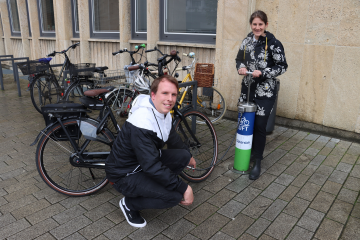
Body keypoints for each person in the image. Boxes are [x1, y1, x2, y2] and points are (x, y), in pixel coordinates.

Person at [105, 75, 196, 228]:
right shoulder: (142, 122)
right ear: (153, 95)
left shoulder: (161, 110)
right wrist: (184, 187)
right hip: (124, 174)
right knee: (174, 196)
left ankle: (156, 184)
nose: (170, 99)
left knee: (184, 156)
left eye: (173, 94)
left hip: (142, 162)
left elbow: (171, 136)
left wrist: (189, 156)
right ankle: (129, 204)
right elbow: (152, 166)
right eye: (165, 93)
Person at [235, 10, 288, 180]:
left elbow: (282, 66)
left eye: (260, 24)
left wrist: (263, 72)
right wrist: (241, 68)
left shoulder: (274, 43)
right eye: (254, 24)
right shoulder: (247, 41)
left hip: (265, 92)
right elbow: (239, 59)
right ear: (251, 25)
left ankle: (257, 161)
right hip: (248, 89)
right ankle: (247, 152)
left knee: (259, 126)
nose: (257, 27)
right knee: (245, 124)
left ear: (266, 25)